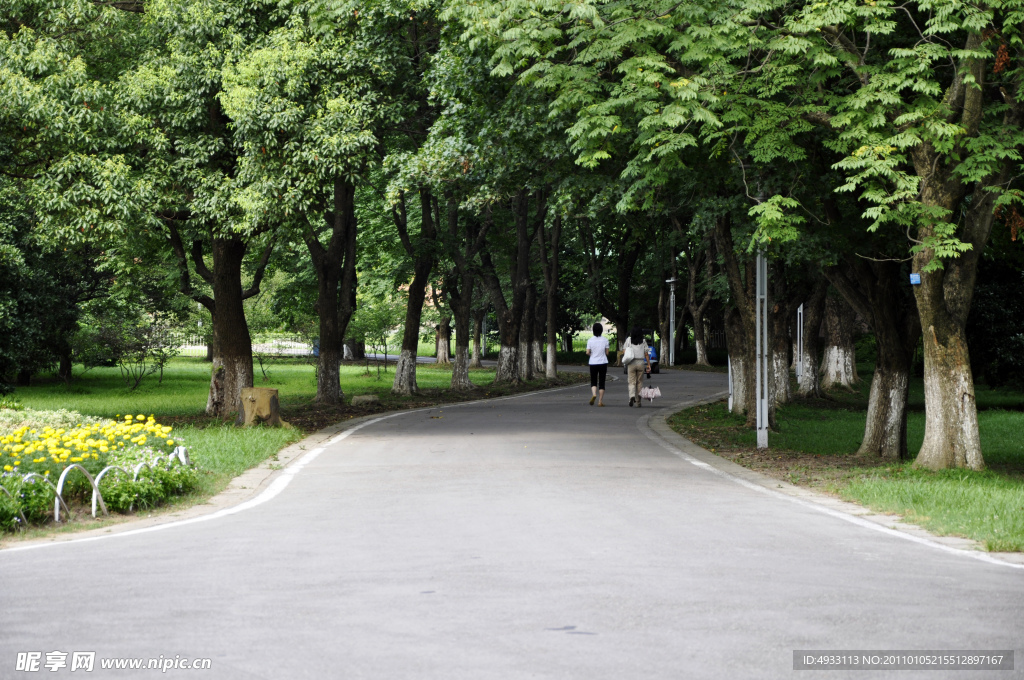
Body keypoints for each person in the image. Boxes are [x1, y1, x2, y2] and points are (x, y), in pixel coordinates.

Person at [623, 326, 651, 407]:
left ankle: (631, 396)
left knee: (631, 382)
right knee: (639, 382)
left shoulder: (628, 340)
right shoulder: (643, 341)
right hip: (640, 363)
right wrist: (648, 364)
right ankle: (638, 402)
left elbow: (624, 350)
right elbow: (646, 354)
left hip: (631, 363)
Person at [586, 322, 610, 406]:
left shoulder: (590, 340)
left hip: (593, 362)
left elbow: (587, 352)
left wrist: (592, 354)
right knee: (602, 382)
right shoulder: (605, 340)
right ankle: (600, 401)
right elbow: (607, 353)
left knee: (593, 380)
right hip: (603, 362)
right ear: (601, 330)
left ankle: (594, 394)